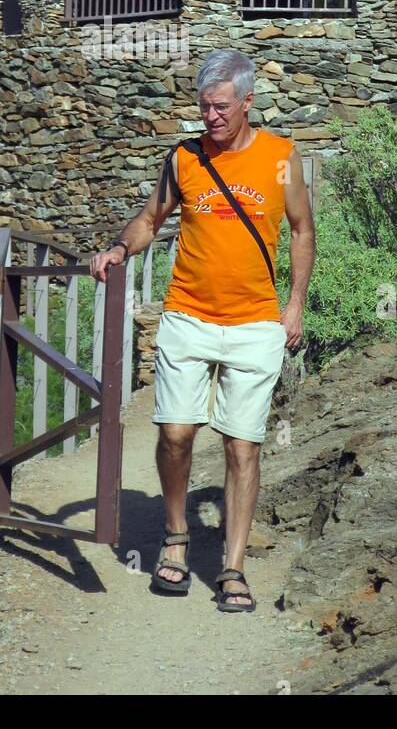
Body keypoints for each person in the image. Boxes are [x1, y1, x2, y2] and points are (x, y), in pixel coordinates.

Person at [90, 48, 315, 611]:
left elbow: (302, 230)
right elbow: (149, 220)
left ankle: (232, 568)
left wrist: (295, 306)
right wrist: (120, 247)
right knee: (176, 433)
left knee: (242, 446)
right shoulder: (183, 159)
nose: (210, 118)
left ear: (247, 102)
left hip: (256, 321)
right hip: (188, 314)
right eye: (203, 108)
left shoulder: (282, 158)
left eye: (220, 107)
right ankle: (176, 537)